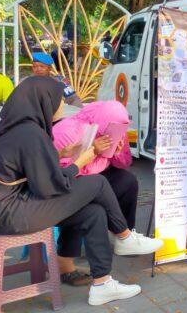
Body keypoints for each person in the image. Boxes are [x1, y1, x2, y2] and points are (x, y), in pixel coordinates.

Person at [0, 77, 163, 306]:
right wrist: (80, 161)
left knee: (93, 212)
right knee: (97, 183)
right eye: (58, 100)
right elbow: (50, 186)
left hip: (11, 206)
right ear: (44, 100)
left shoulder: (14, 127)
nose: (61, 106)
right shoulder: (30, 133)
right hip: (11, 213)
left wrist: (61, 156)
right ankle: (124, 236)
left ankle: (102, 283)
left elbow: (31, 168)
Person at [51, 101, 139, 286]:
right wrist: (93, 151)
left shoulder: (115, 130)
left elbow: (124, 164)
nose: (115, 128)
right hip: (68, 182)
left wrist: (115, 151)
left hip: (94, 174)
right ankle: (68, 264)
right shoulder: (69, 131)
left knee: (128, 181)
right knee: (90, 203)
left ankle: (123, 237)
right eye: (113, 124)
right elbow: (63, 175)